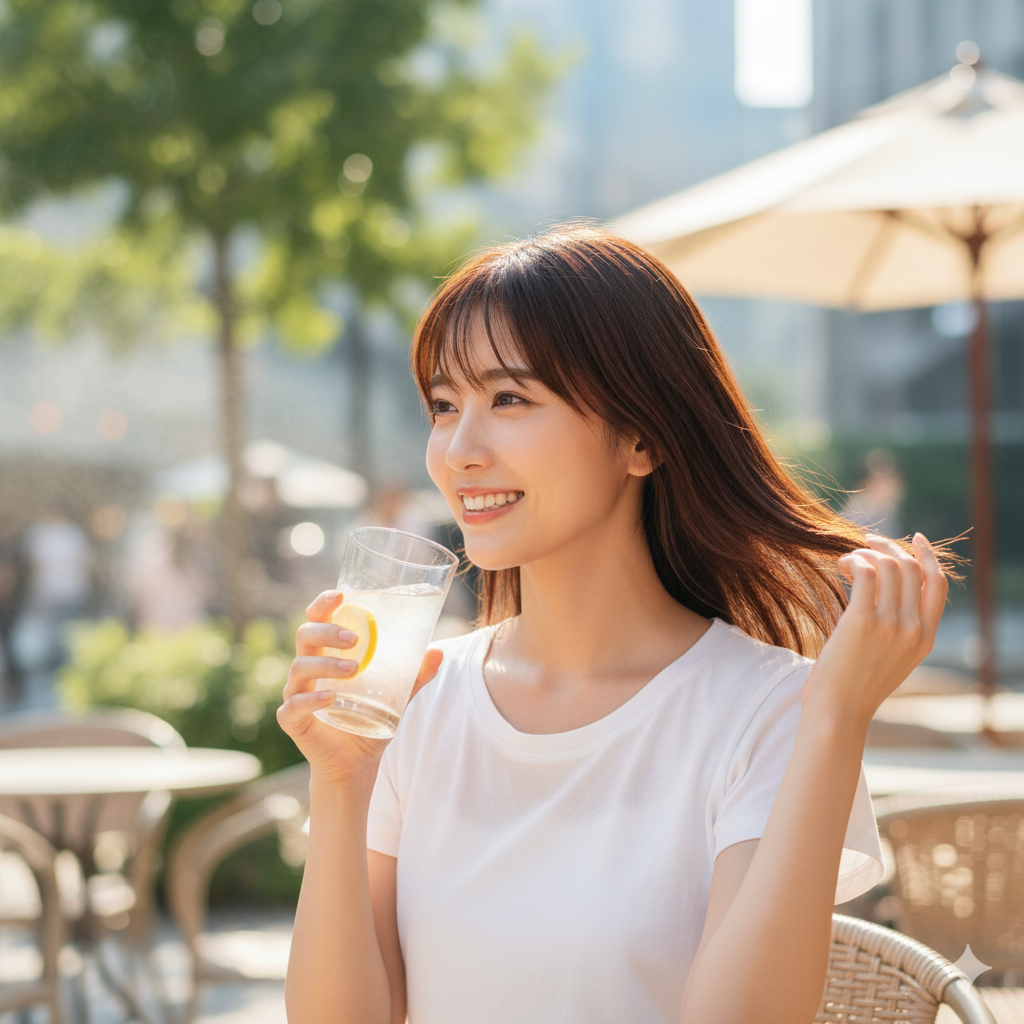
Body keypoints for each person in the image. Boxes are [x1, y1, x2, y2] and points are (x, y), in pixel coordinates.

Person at [278, 226, 952, 1024]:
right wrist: (343, 781)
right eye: (444, 406)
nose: (458, 450)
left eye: (510, 400)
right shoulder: (412, 701)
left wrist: (837, 719)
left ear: (642, 436)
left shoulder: (771, 712)